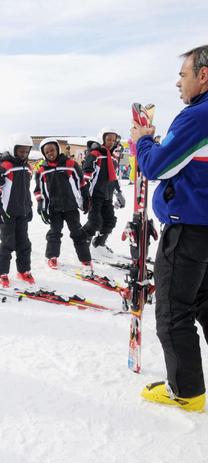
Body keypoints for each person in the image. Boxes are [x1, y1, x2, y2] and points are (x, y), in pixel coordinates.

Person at [133, 45, 208, 412]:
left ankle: (187, 391)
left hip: (189, 229)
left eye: (183, 74)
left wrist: (142, 142)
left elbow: (158, 168)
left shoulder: (198, 115)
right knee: (205, 303)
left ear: (203, 75)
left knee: (173, 312)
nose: (179, 82)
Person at [34, 138, 92, 272]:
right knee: (54, 233)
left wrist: (86, 198)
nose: (50, 153)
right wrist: (41, 206)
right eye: (47, 152)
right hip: (54, 208)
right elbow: (39, 190)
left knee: (77, 232)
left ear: (57, 149)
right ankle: (52, 257)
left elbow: (81, 183)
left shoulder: (70, 164)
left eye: (52, 150)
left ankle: (85, 259)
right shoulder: (42, 170)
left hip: (71, 206)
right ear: (44, 154)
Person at [0, 134, 35, 288]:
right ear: (13, 149)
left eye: (26, 151)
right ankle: (2, 273)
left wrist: (29, 207)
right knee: (8, 243)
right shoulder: (5, 166)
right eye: (20, 151)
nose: (23, 154)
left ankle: (23, 270)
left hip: (22, 212)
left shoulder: (27, 168)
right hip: (7, 213)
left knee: (24, 243)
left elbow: (26, 191)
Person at [82, 128, 122, 253]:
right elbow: (87, 173)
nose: (111, 142)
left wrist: (119, 193)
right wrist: (84, 192)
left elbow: (114, 177)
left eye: (113, 140)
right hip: (94, 195)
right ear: (102, 139)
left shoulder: (114, 158)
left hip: (107, 195)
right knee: (95, 222)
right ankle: (82, 243)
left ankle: (99, 244)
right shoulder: (95, 154)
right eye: (108, 139)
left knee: (110, 221)